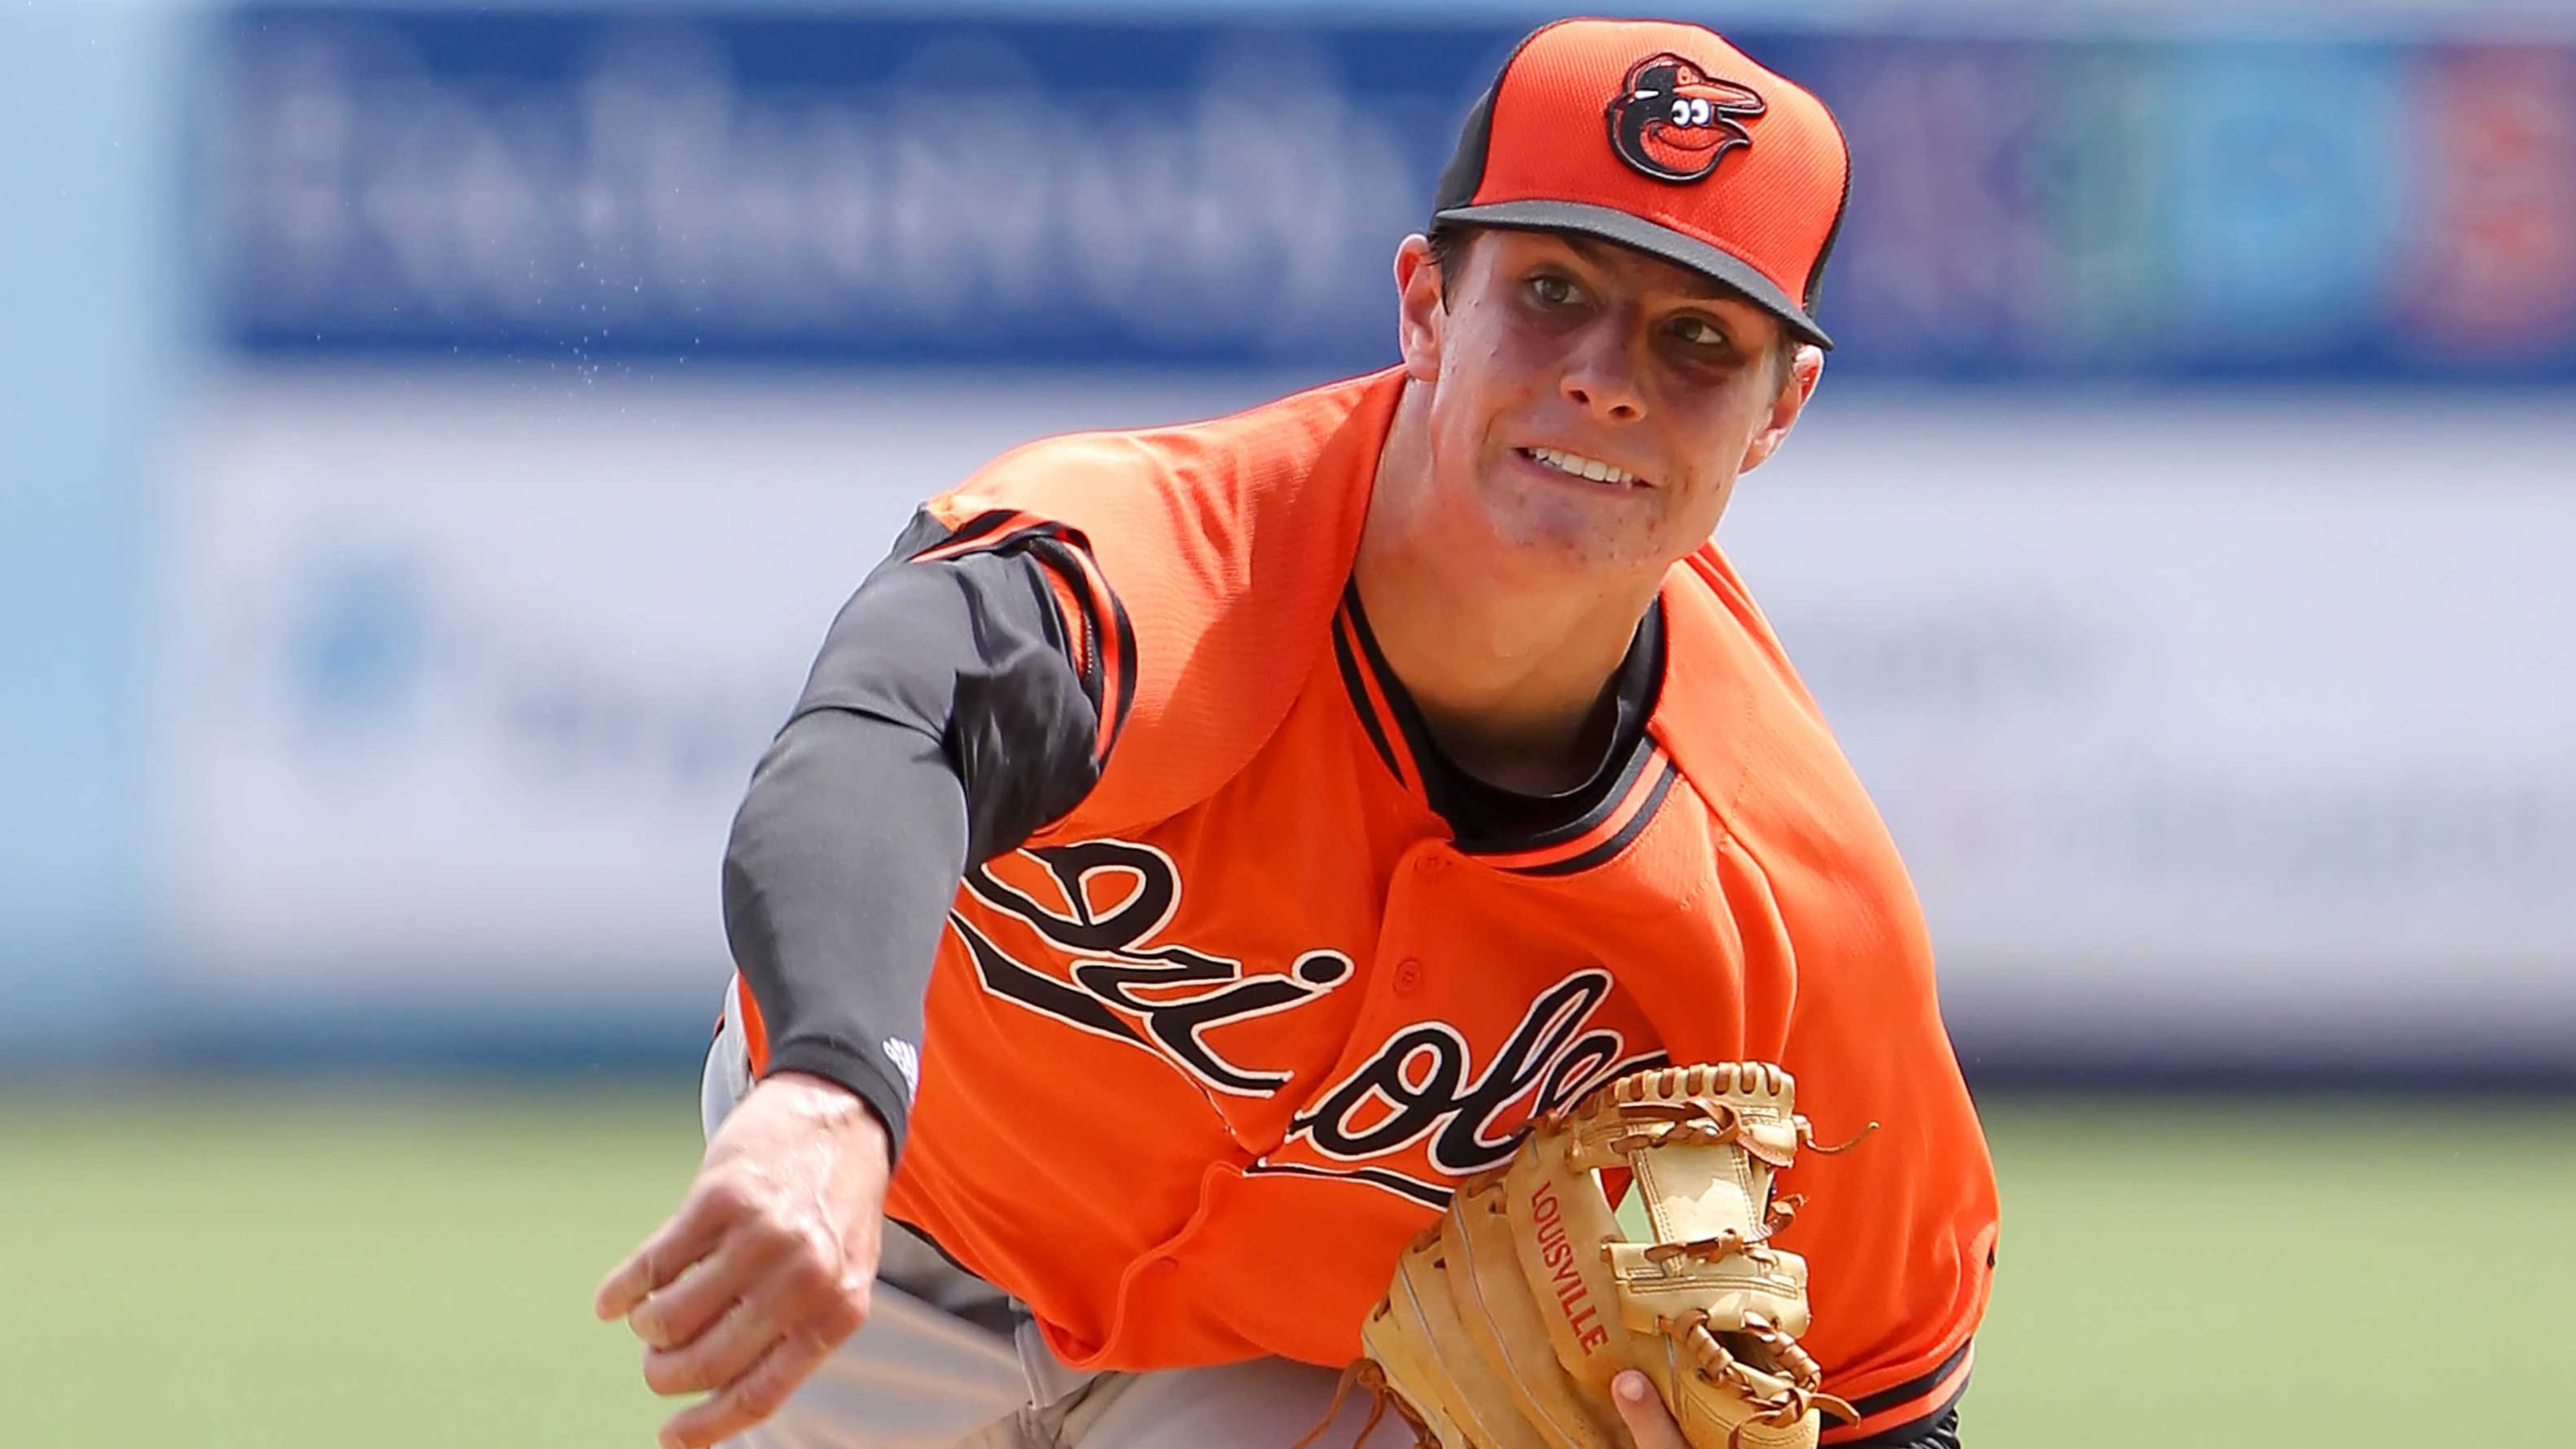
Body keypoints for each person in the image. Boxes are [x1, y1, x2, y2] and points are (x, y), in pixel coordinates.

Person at [596, 17, 1998, 1449]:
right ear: (1426, 304)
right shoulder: (1168, 567)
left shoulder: (1786, 898)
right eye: (1553, 289)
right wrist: (828, 1092)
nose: (1608, 376)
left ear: (1782, 408)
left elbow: (1893, 1387)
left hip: (1287, 1367)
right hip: (877, 1232)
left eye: (1700, 337)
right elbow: (881, 730)